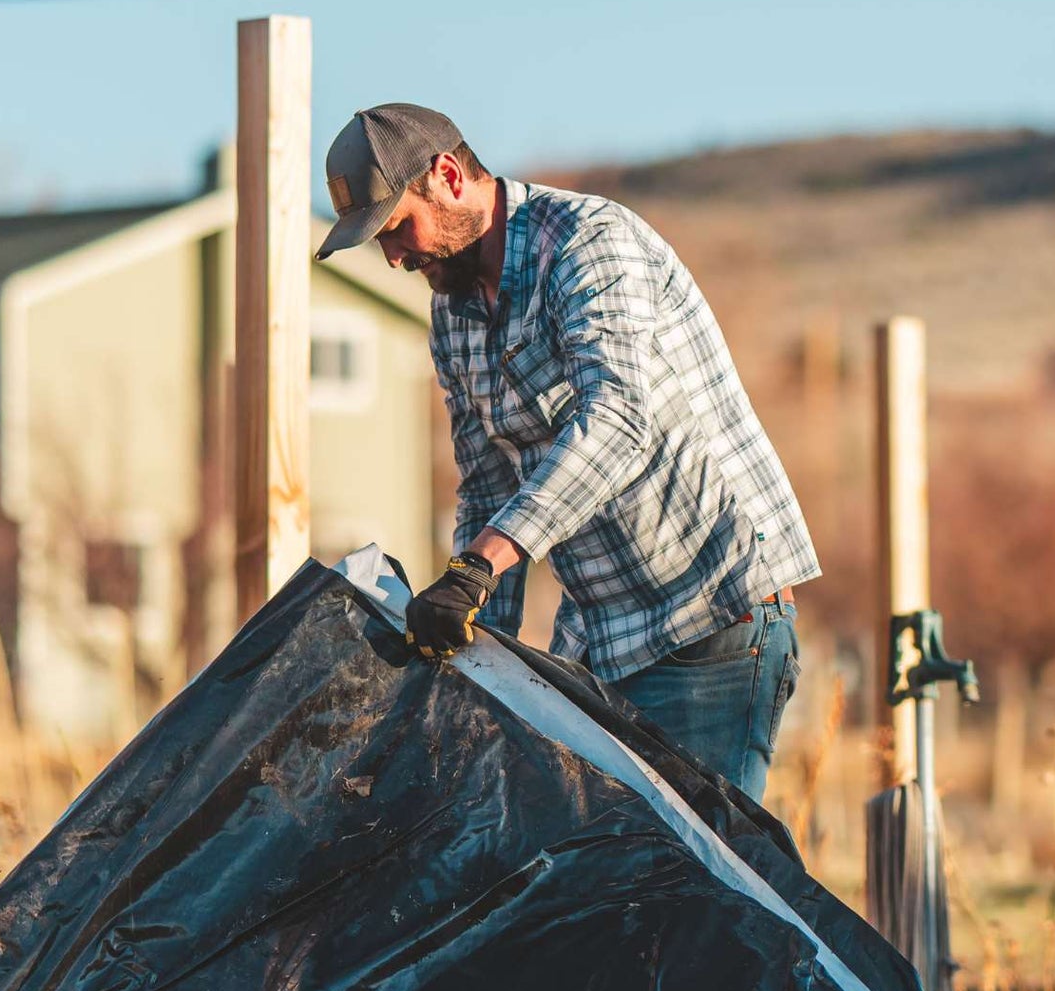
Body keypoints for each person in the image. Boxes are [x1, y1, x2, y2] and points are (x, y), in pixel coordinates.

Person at [316, 102, 819, 804]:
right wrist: (469, 655)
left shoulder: (589, 245)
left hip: (712, 619)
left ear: (449, 177)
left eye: (397, 228)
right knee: (610, 890)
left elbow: (617, 421)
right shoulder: (453, 316)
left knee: (701, 892)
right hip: (600, 643)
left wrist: (481, 564)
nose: (395, 258)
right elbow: (487, 487)